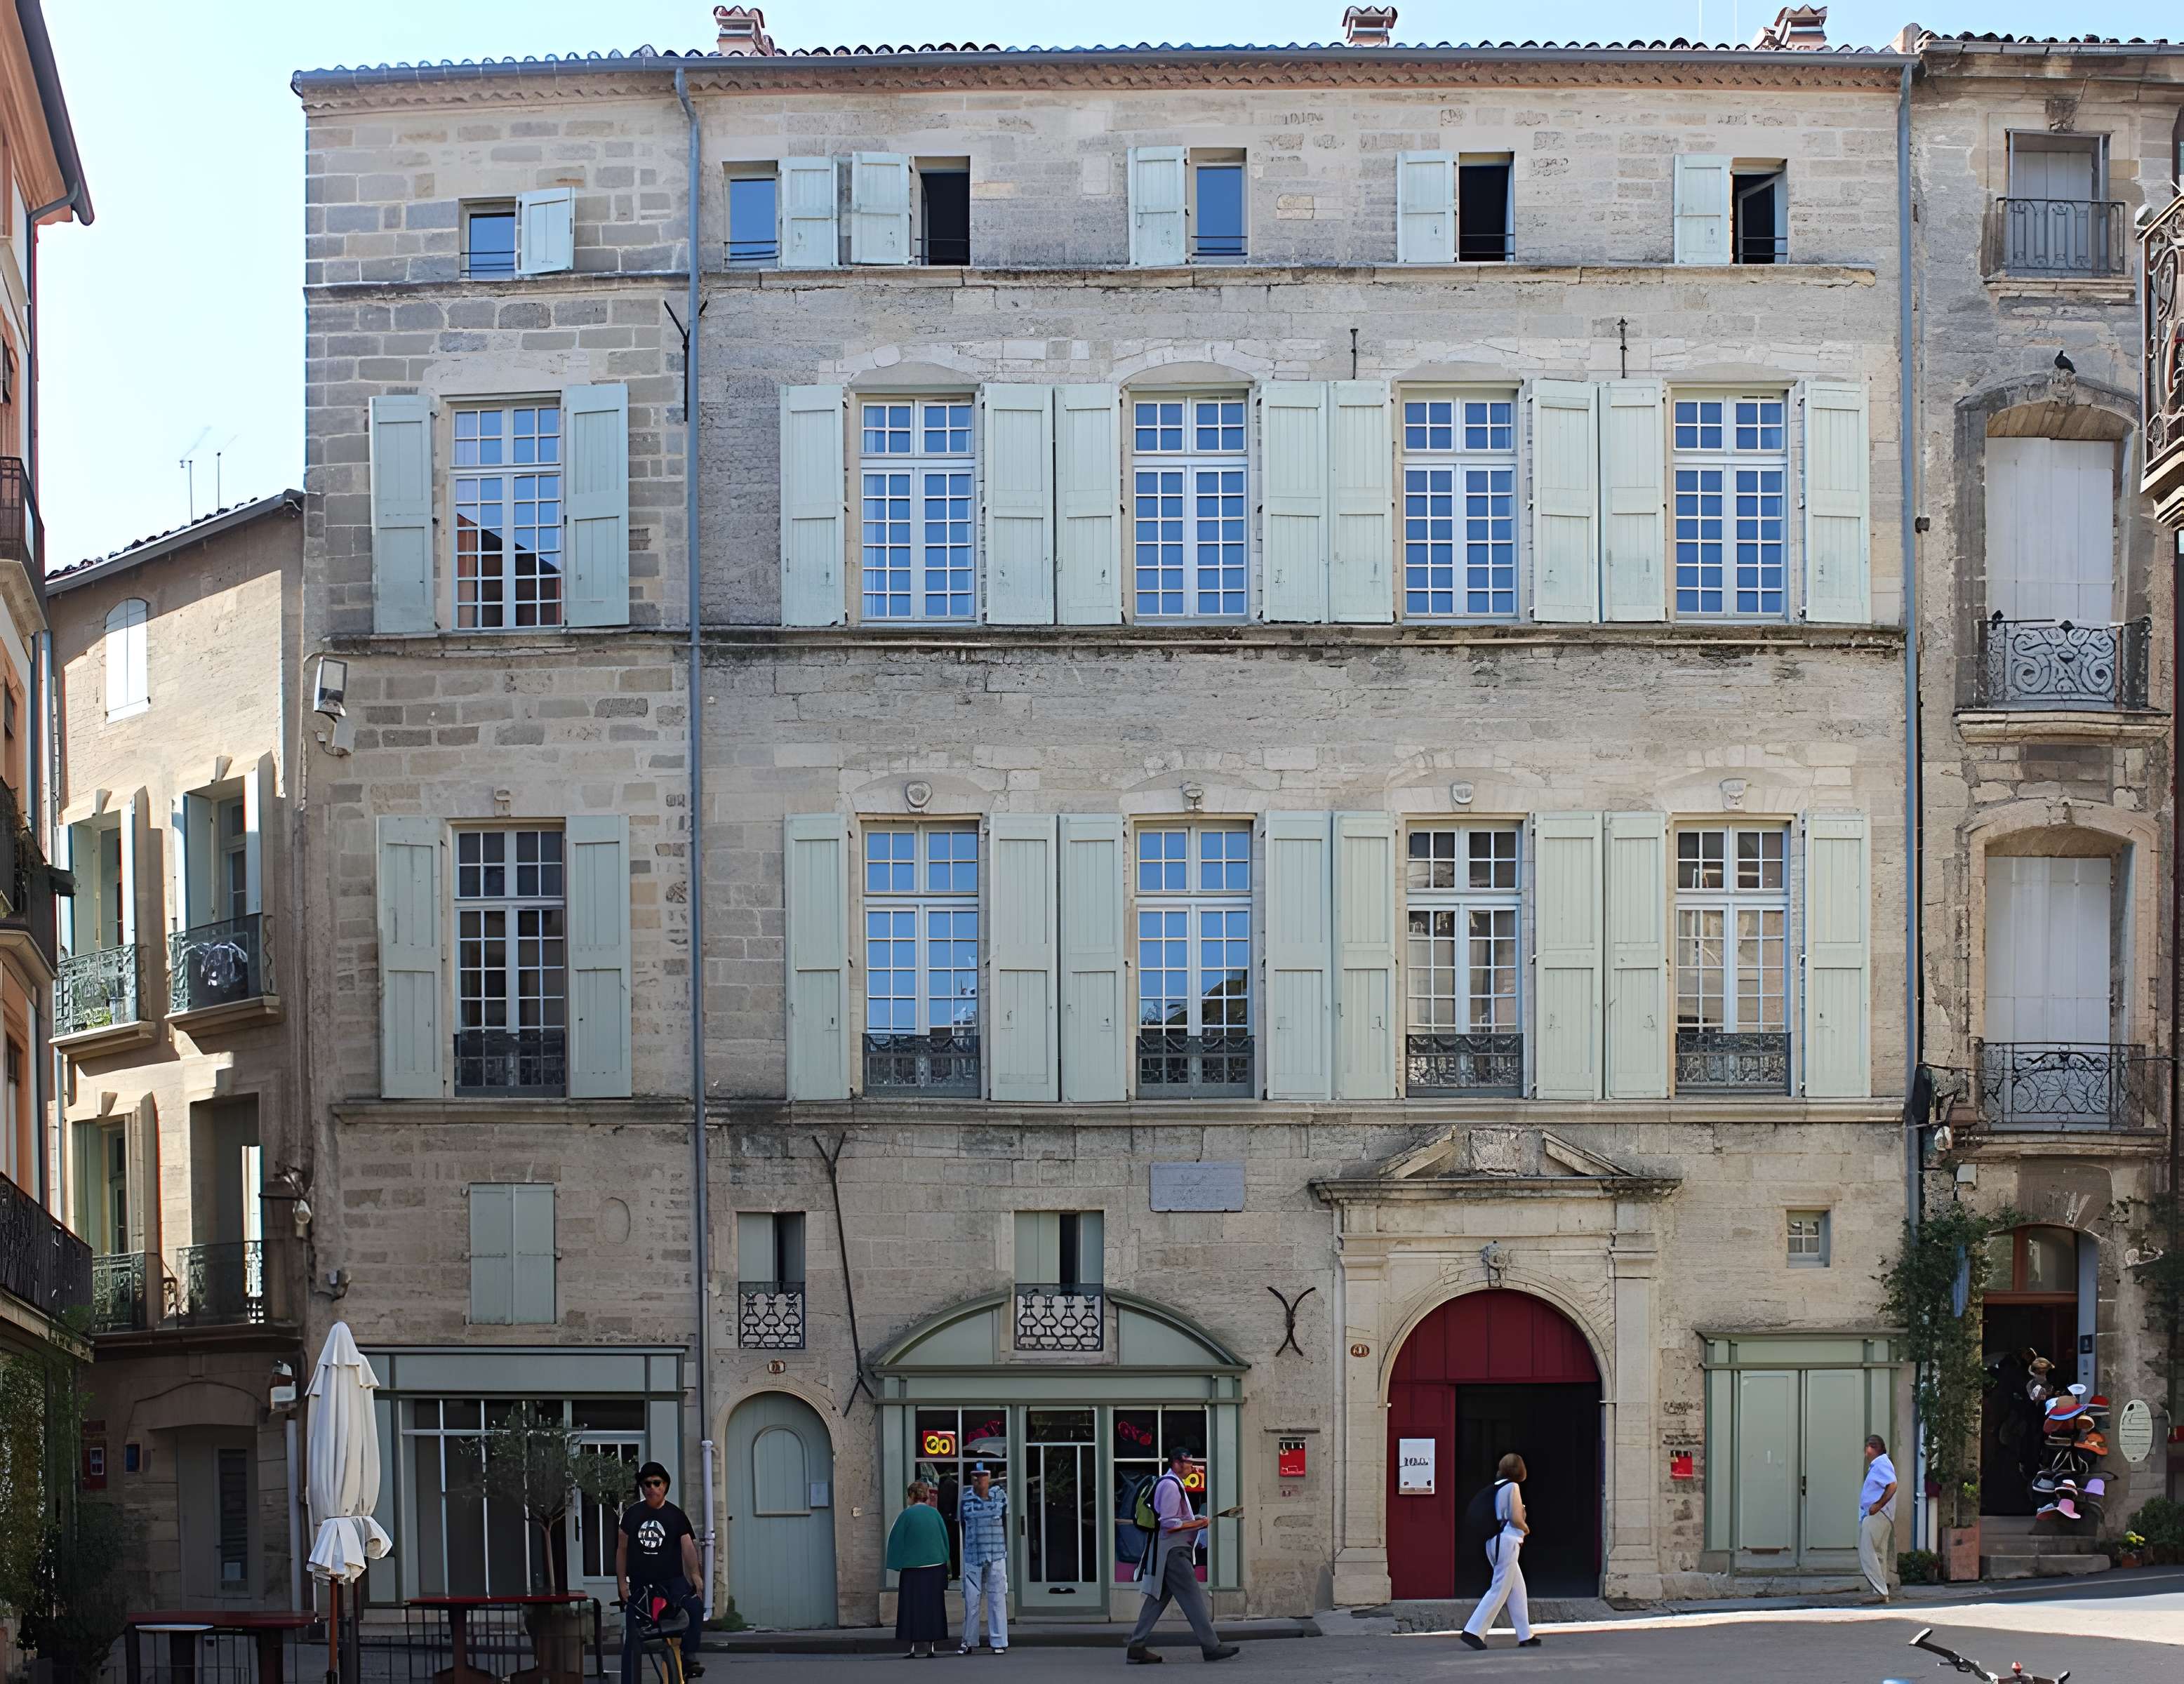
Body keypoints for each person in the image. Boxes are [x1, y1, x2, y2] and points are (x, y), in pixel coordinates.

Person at [1124, 1445, 1239, 1665]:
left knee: (1157, 1600)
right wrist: (1198, 1524)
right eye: (1188, 1462)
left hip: (1170, 1551)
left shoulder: (1172, 1483)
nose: (1192, 1467)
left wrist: (1193, 1518)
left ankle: (1136, 1646)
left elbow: (1174, 1519)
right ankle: (1211, 1646)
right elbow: (1169, 1524)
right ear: (1176, 1463)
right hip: (1174, 1552)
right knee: (1193, 1598)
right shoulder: (1170, 1485)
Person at [617, 1461, 705, 1683]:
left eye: (657, 1483)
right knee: (634, 1640)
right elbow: (622, 1549)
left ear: (665, 1485)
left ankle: (689, 1656)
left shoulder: (676, 1515)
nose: (652, 1488)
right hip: (642, 1585)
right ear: (642, 1487)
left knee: (694, 1607)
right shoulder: (632, 1515)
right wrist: (622, 1583)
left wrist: (695, 1575)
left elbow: (688, 1547)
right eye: (647, 1484)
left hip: (672, 1582)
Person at [1459, 1454, 1540, 1651]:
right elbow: (1515, 1518)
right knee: (1499, 1588)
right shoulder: (1512, 1487)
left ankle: (1525, 1634)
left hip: (1494, 1541)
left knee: (1517, 1589)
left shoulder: (1496, 1487)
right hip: (1507, 1541)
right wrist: (1527, 1529)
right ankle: (1473, 1630)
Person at [888, 1481, 952, 1659]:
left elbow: (896, 1540)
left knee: (911, 1608)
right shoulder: (935, 1514)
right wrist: (945, 1563)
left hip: (912, 1568)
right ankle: (931, 1646)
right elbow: (944, 1539)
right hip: (935, 1566)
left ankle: (912, 1647)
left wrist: (896, 1563)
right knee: (933, 1607)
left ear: (911, 1496)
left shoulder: (906, 1515)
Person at [956, 1463, 1009, 1655]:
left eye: (983, 1476)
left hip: (996, 1554)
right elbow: (962, 1525)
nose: (979, 1481)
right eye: (976, 1477)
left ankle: (999, 1641)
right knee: (972, 1600)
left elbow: (1005, 1522)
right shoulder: (966, 1499)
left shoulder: (1000, 1498)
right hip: (974, 1555)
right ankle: (969, 1641)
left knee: (997, 1598)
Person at [1859, 1434, 1899, 1603]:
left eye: (1868, 1447)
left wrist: (1877, 1505)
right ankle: (1880, 1593)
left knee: (1867, 1551)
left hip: (1877, 1515)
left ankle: (1880, 1590)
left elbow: (1892, 1485)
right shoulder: (1880, 1464)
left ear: (1873, 1448)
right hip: (1881, 1516)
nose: (1866, 1452)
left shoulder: (1881, 1463)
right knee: (1879, 1554)